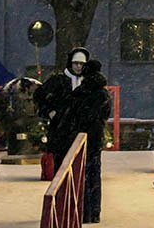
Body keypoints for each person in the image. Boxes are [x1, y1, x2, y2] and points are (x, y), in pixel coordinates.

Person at [59, 59, 112, 224]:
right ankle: (94, 212)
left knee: (81, 175)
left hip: (80, 138)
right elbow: (104, 115)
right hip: (95, 137)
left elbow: (73, 114)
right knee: (94, 174)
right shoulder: (103, 93)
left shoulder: (81, 92)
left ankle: (82, 211)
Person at [35, 46, 91, 167]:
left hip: (81, 128)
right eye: (76, 63)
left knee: (79, 164)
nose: (78, 66)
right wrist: (50, 112)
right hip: (60, 129)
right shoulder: (58, 80)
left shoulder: (89, 82)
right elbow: (39, 96)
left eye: (81, 64)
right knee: (61, 163)